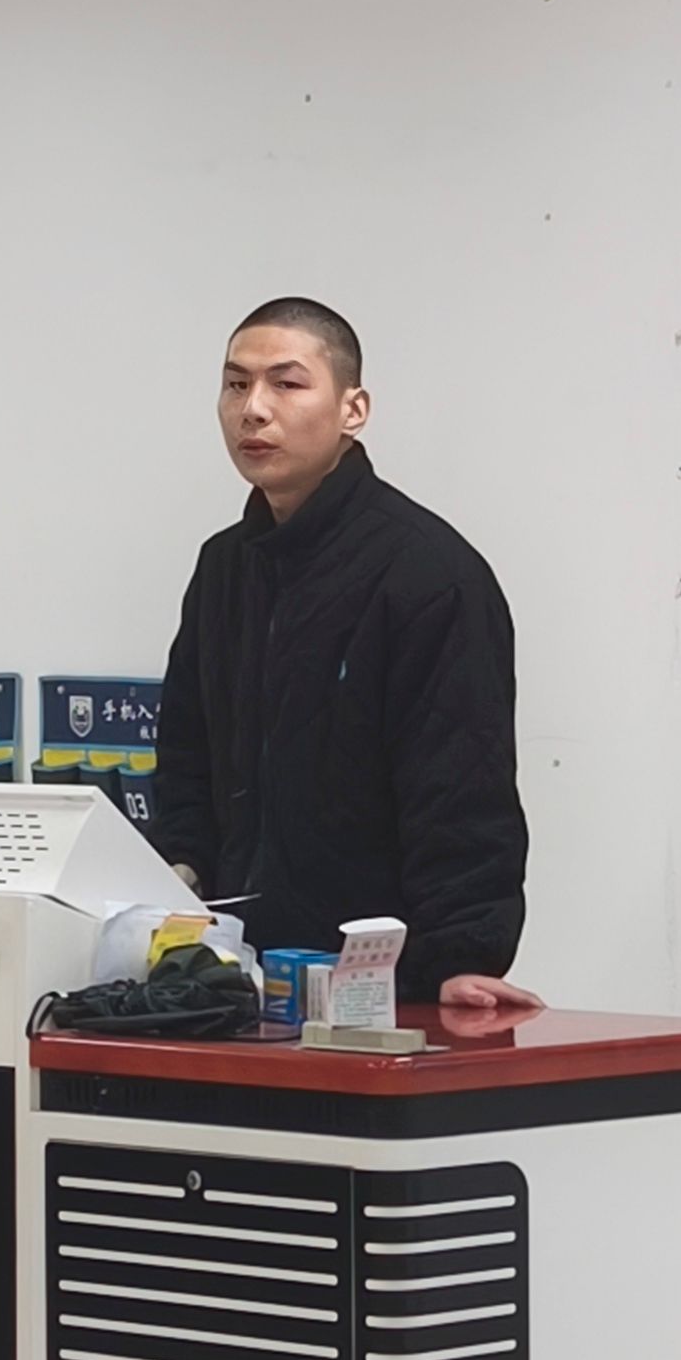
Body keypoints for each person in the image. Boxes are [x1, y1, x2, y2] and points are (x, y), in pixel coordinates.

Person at [150, 297, 536, 1014]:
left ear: (352, 409)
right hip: (235, 977)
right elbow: (186, 755)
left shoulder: (426, 573)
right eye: (236, 384)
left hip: (383, 987)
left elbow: (461, 783)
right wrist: (179, 874)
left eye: (286, 383)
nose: (253, 409)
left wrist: (461, 956)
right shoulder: (225, 567)